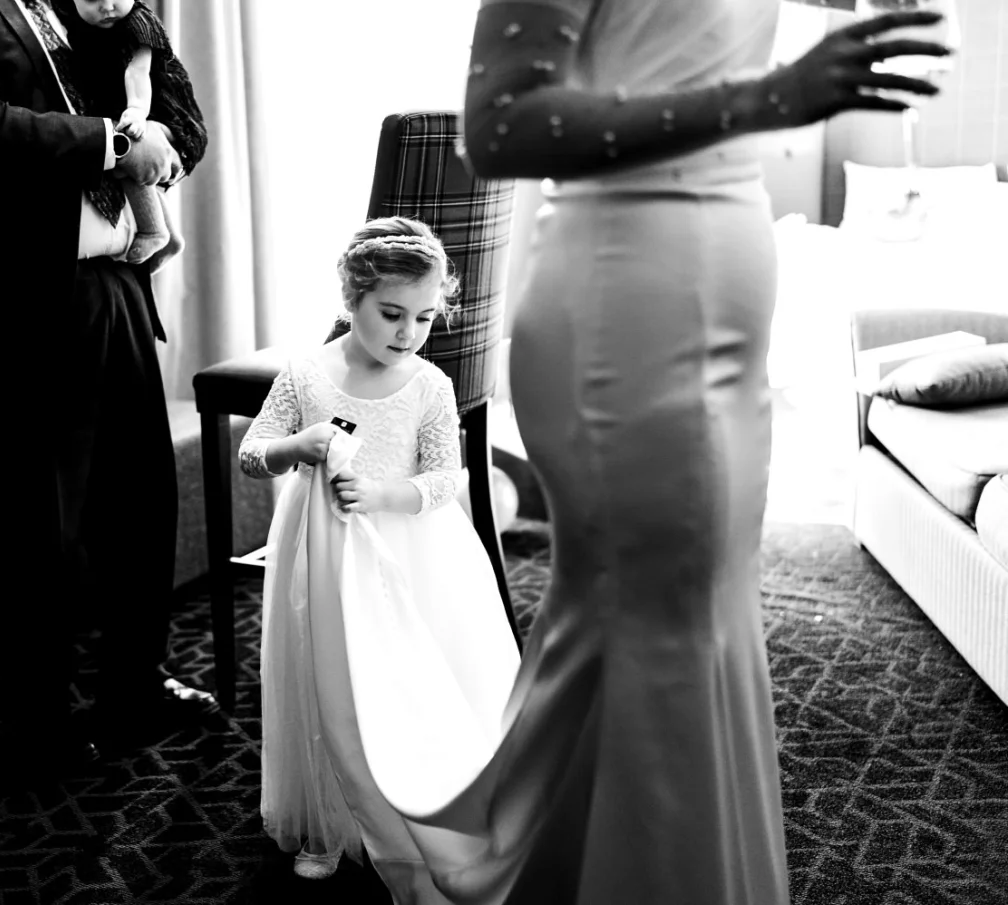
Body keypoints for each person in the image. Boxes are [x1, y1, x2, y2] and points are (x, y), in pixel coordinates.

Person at [333, 2, 952, 904]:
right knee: (656, 617)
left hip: (724, 282)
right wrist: (769, 96)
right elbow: (501, 125)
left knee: (697, 606)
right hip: (628, 296)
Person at [0, 0, 218, 774]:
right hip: (6, 296)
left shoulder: (75, 0)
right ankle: (40, 721)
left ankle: (135, 684)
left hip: (112, 280)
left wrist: (144, 92)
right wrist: (115, 141)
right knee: (34, 521)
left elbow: (169, 107)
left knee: (139, 501)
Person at [238, 218, 521, 895]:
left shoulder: (427, 384)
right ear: (351, 299)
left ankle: (430, 806)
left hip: (414, 554)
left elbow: (447, 478)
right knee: (329, 677)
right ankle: (328, 820)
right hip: (325, 557)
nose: (408, 332)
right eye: (392, 314)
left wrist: (382, 492)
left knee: (412, 680)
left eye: (424, 317)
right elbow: (253, 451)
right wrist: (295, 446)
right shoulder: (308, 374)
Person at [69, 0, 199, 272]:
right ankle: (171, 238)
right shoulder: (76, 20)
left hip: (165, 113)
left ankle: (154, 232)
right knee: (126, 152)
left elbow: (137, 72)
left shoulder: (139, 24)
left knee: (128, 149)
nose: (106, 6)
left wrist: (138, 111)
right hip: (126, 106)